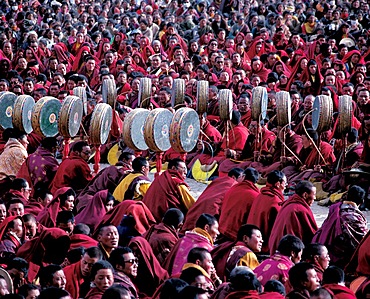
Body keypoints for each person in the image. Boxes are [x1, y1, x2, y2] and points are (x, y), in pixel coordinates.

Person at [312, 185, 368, 268]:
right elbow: (363, 240)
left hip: (328, 249)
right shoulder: (354, 217)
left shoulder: (336, 208)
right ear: (362, 201)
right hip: (343, 256)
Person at [182, 168, 244, 233]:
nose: (243, 180)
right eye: (241, 177)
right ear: (234, 177)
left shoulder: (218, 180)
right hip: (212, 210)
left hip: (198, 205)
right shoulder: (233, 184)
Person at [269, 181, 318, 255]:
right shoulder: (300, 209)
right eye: (314, 194)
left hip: (275, 247)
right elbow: (312, 234)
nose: (315, 198)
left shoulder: (289, 203)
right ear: (305, 195)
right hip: (289, 252)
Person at [247, 170, 286, 253]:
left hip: (250, 239)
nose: (285, 187)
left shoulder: (260, 196)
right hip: (263, 244)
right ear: (278, 184)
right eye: (285, 184)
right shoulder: (275, 201)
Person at [219, 168, 260, 241]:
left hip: (221, 228)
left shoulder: (232, 188)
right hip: (236, 234)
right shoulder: (256, 195)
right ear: (256, 181)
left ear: (243, 177)